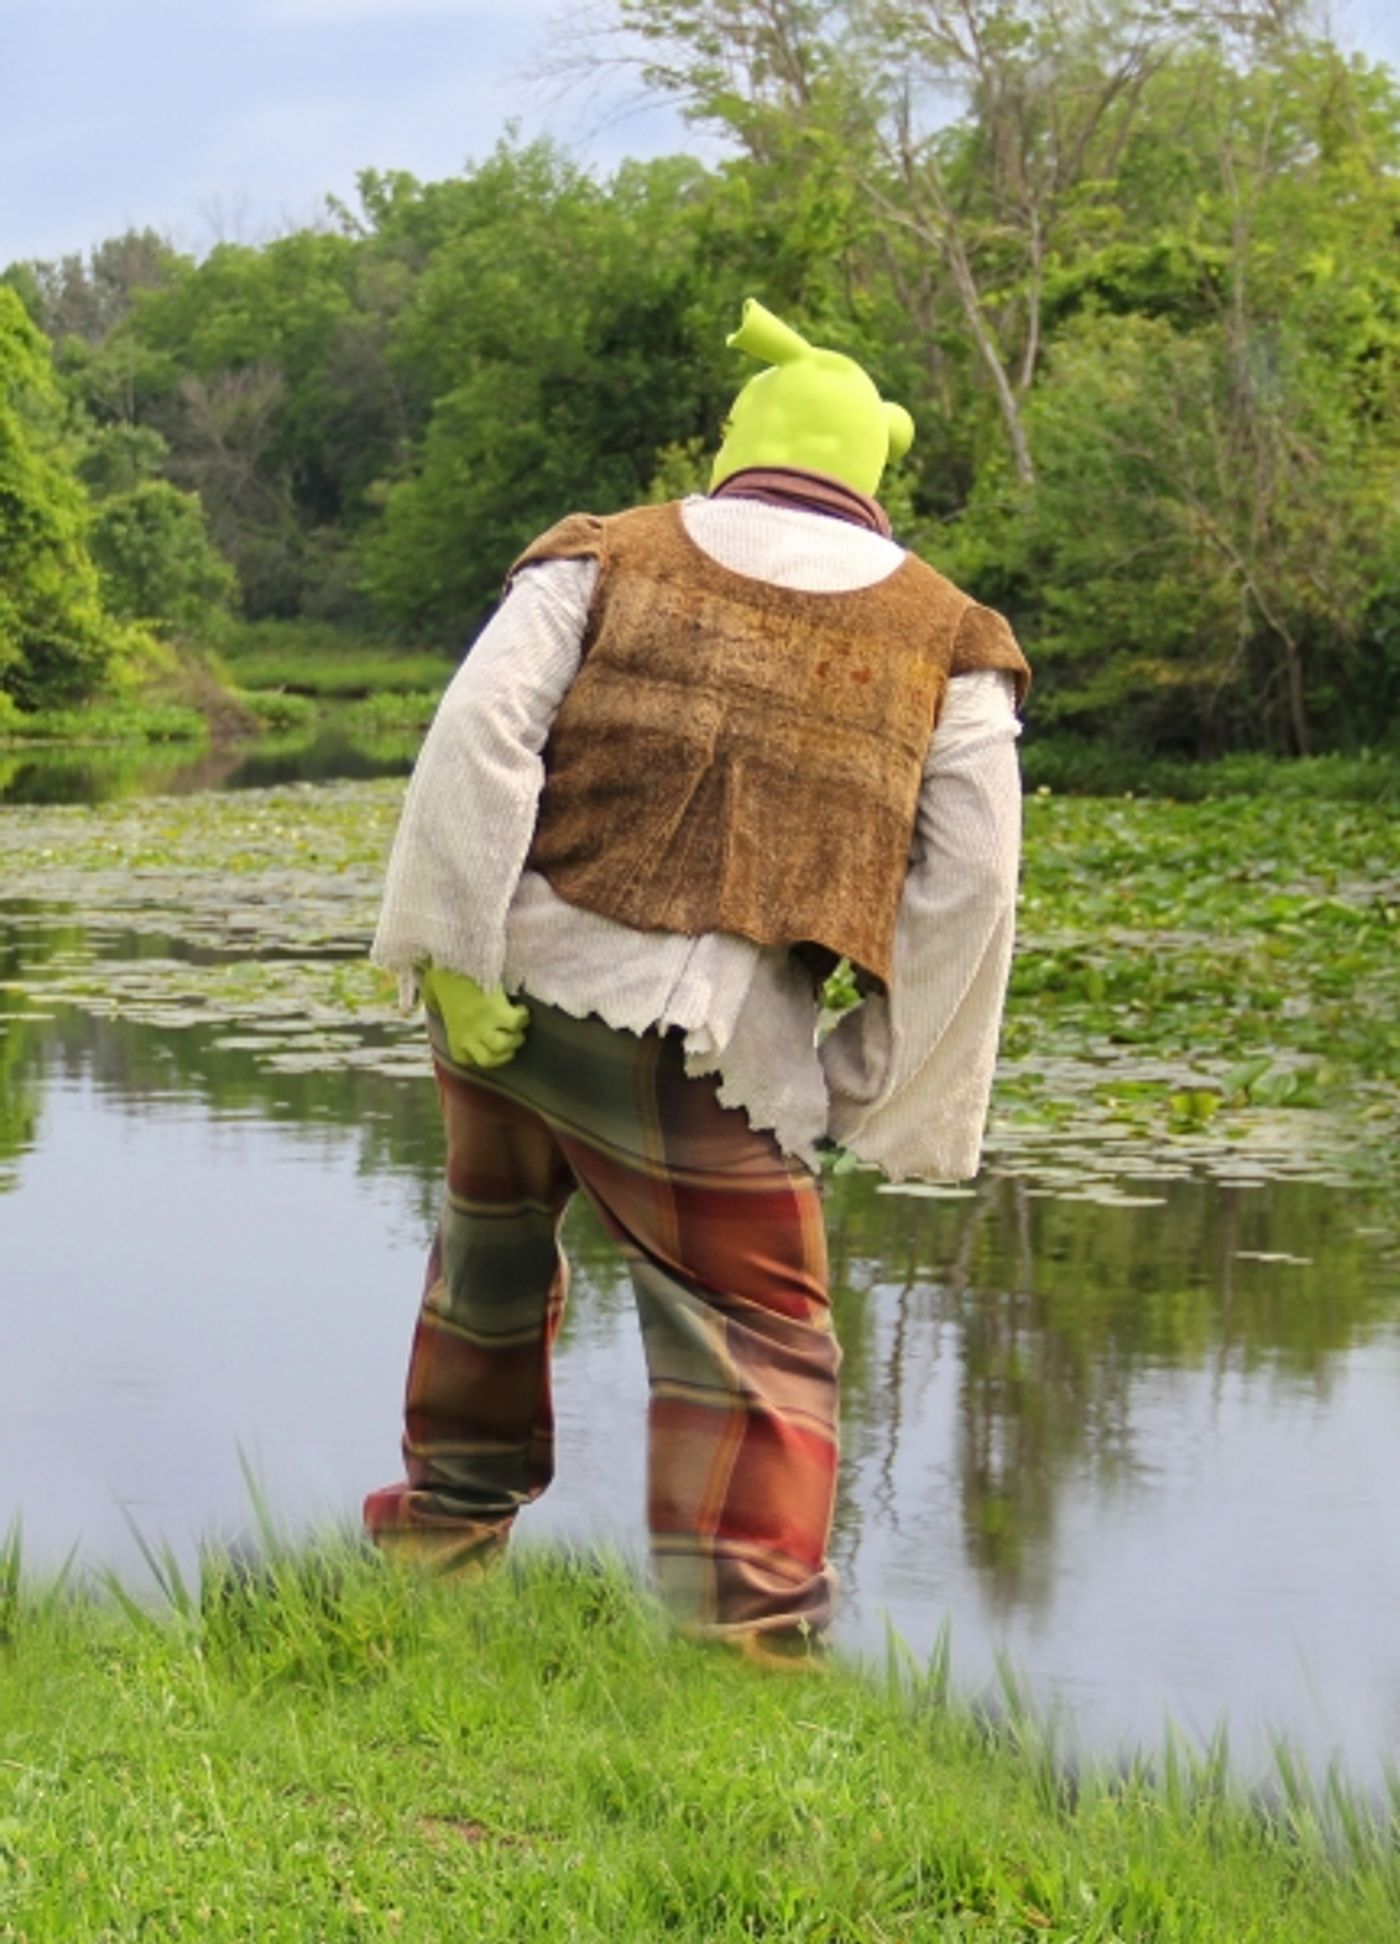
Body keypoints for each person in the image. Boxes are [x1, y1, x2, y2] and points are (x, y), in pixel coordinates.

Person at [363, 299, 1030, 1659]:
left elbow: (480, 733)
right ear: (873, 472)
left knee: (486, 1262)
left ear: (741, 439)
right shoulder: (947, 637)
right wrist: (863, 1080)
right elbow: (973, 888)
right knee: (758, 1337)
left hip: (510, 991)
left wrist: (451, 949)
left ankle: (436, 1551)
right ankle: (746, 1653)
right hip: (698, 1039)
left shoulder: (604, 553)